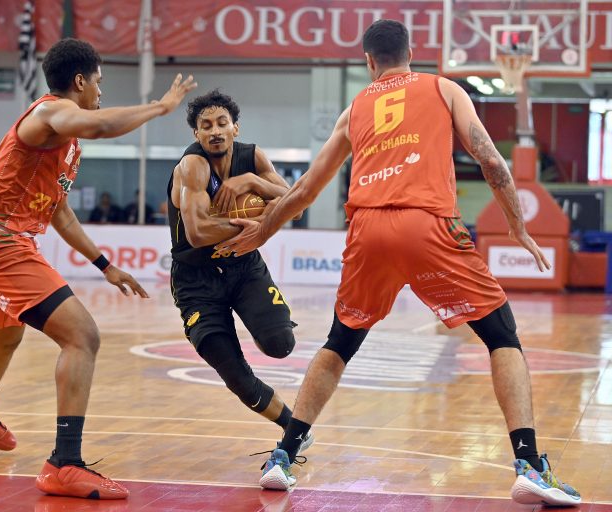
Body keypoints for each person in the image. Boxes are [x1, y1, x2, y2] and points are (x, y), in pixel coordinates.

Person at [218, 20, 580, 507]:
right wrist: (517, 226)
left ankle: (283, 456)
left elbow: (304, 190)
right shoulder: (444, 88)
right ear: (413, 52)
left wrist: (263, 231)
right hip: (427, 224)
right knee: (501, 337)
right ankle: (530, 465)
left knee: (340, 342)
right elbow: (492, 162)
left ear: (369, 62)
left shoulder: (354, 109)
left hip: (367, 229)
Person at [0, 38, 196, 500]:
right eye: (98, 82)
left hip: (2, 239)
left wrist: (105, 265)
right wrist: (161, 108)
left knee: (4, 338)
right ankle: (64, 463)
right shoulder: (49, 113)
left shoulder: (65, 141)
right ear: (79, 81)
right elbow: (100, 124)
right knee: (82, 336)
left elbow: (59, 213)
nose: (101, 90)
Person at [166, 89, 312, 449]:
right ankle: (294, 429)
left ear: (235, 127)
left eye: (222, 123)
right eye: (206, 126)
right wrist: (261, 222)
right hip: (196, 279)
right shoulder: (192, 166)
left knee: (280, 344)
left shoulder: (252, 157)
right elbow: (198, 233)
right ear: (196, 134)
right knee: (235, 374)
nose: (215, 131)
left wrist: (252, 183)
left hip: (243, 266)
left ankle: (260, 322)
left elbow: (296, 205)